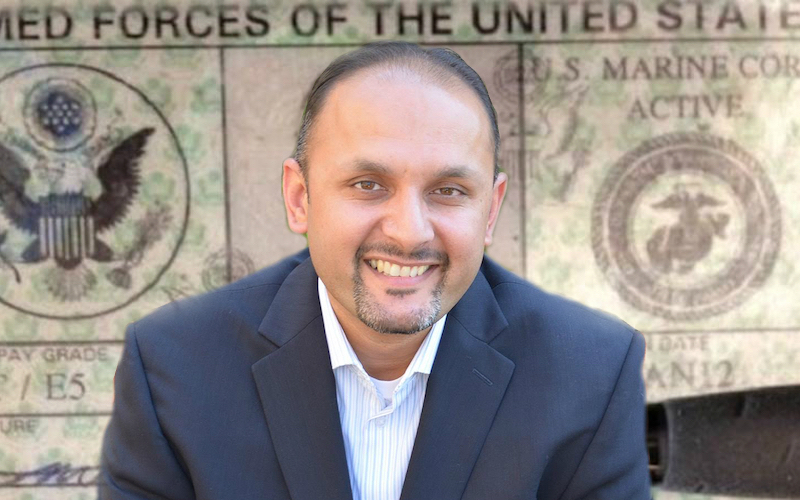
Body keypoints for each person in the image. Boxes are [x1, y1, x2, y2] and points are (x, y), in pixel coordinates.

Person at [99, 41, 652, 500]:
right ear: (299, 197)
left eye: (448, 190)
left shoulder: (592, 375)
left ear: (490, 211)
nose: (409, 232)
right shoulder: (173, 370)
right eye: (368, 185)